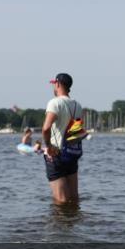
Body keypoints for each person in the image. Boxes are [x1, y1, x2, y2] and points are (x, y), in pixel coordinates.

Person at [42, 73, 84, 205]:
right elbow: (76, 132)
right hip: (72, 155)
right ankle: (74, 223)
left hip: (56, 156)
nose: (54, 86)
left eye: (54, 84)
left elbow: (46, 128)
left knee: (61, 201)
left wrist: (48, 146)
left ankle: (60, 224)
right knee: (74, 199)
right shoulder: (77, 105)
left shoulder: (54, 103)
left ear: (58, 84)